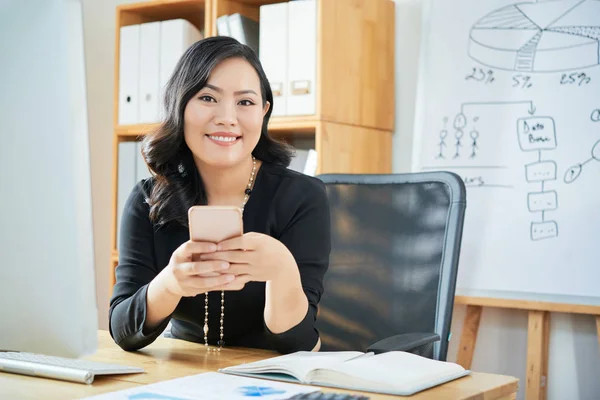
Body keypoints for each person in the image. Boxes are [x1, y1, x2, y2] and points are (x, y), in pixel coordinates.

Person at [109, 36, 331, 354]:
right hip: (184, 372)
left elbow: (298, 343)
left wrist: (282, 269)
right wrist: (170, 283)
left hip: (269, 379)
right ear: (180, 105)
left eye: (245, 102)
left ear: (264, 112)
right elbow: (122, 331)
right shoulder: (149, 199)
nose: (227, 117)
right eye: (208, 98)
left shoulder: (302, 197)